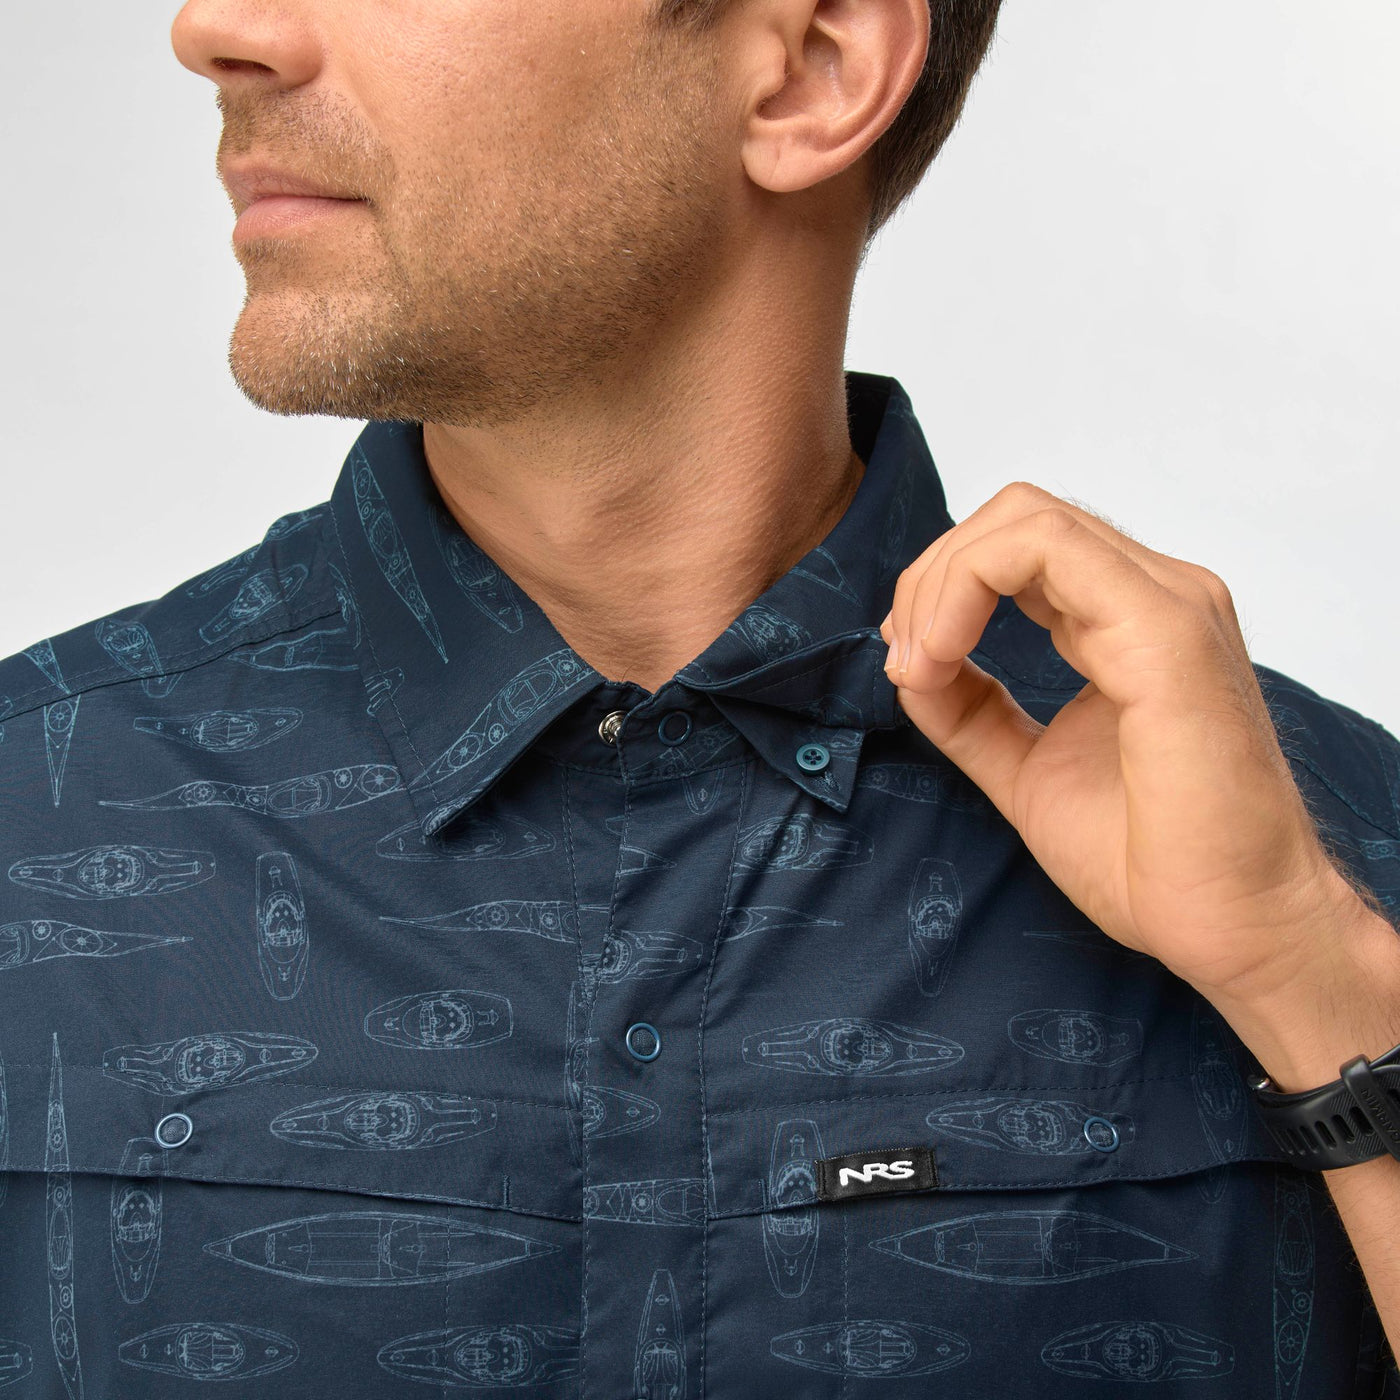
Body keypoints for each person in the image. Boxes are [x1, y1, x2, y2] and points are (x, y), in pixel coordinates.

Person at [0, 1, 1396, 1395]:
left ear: (811, 68)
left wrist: (1308, 976)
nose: (213, 30)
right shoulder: (28, 822)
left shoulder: (1336, 865)